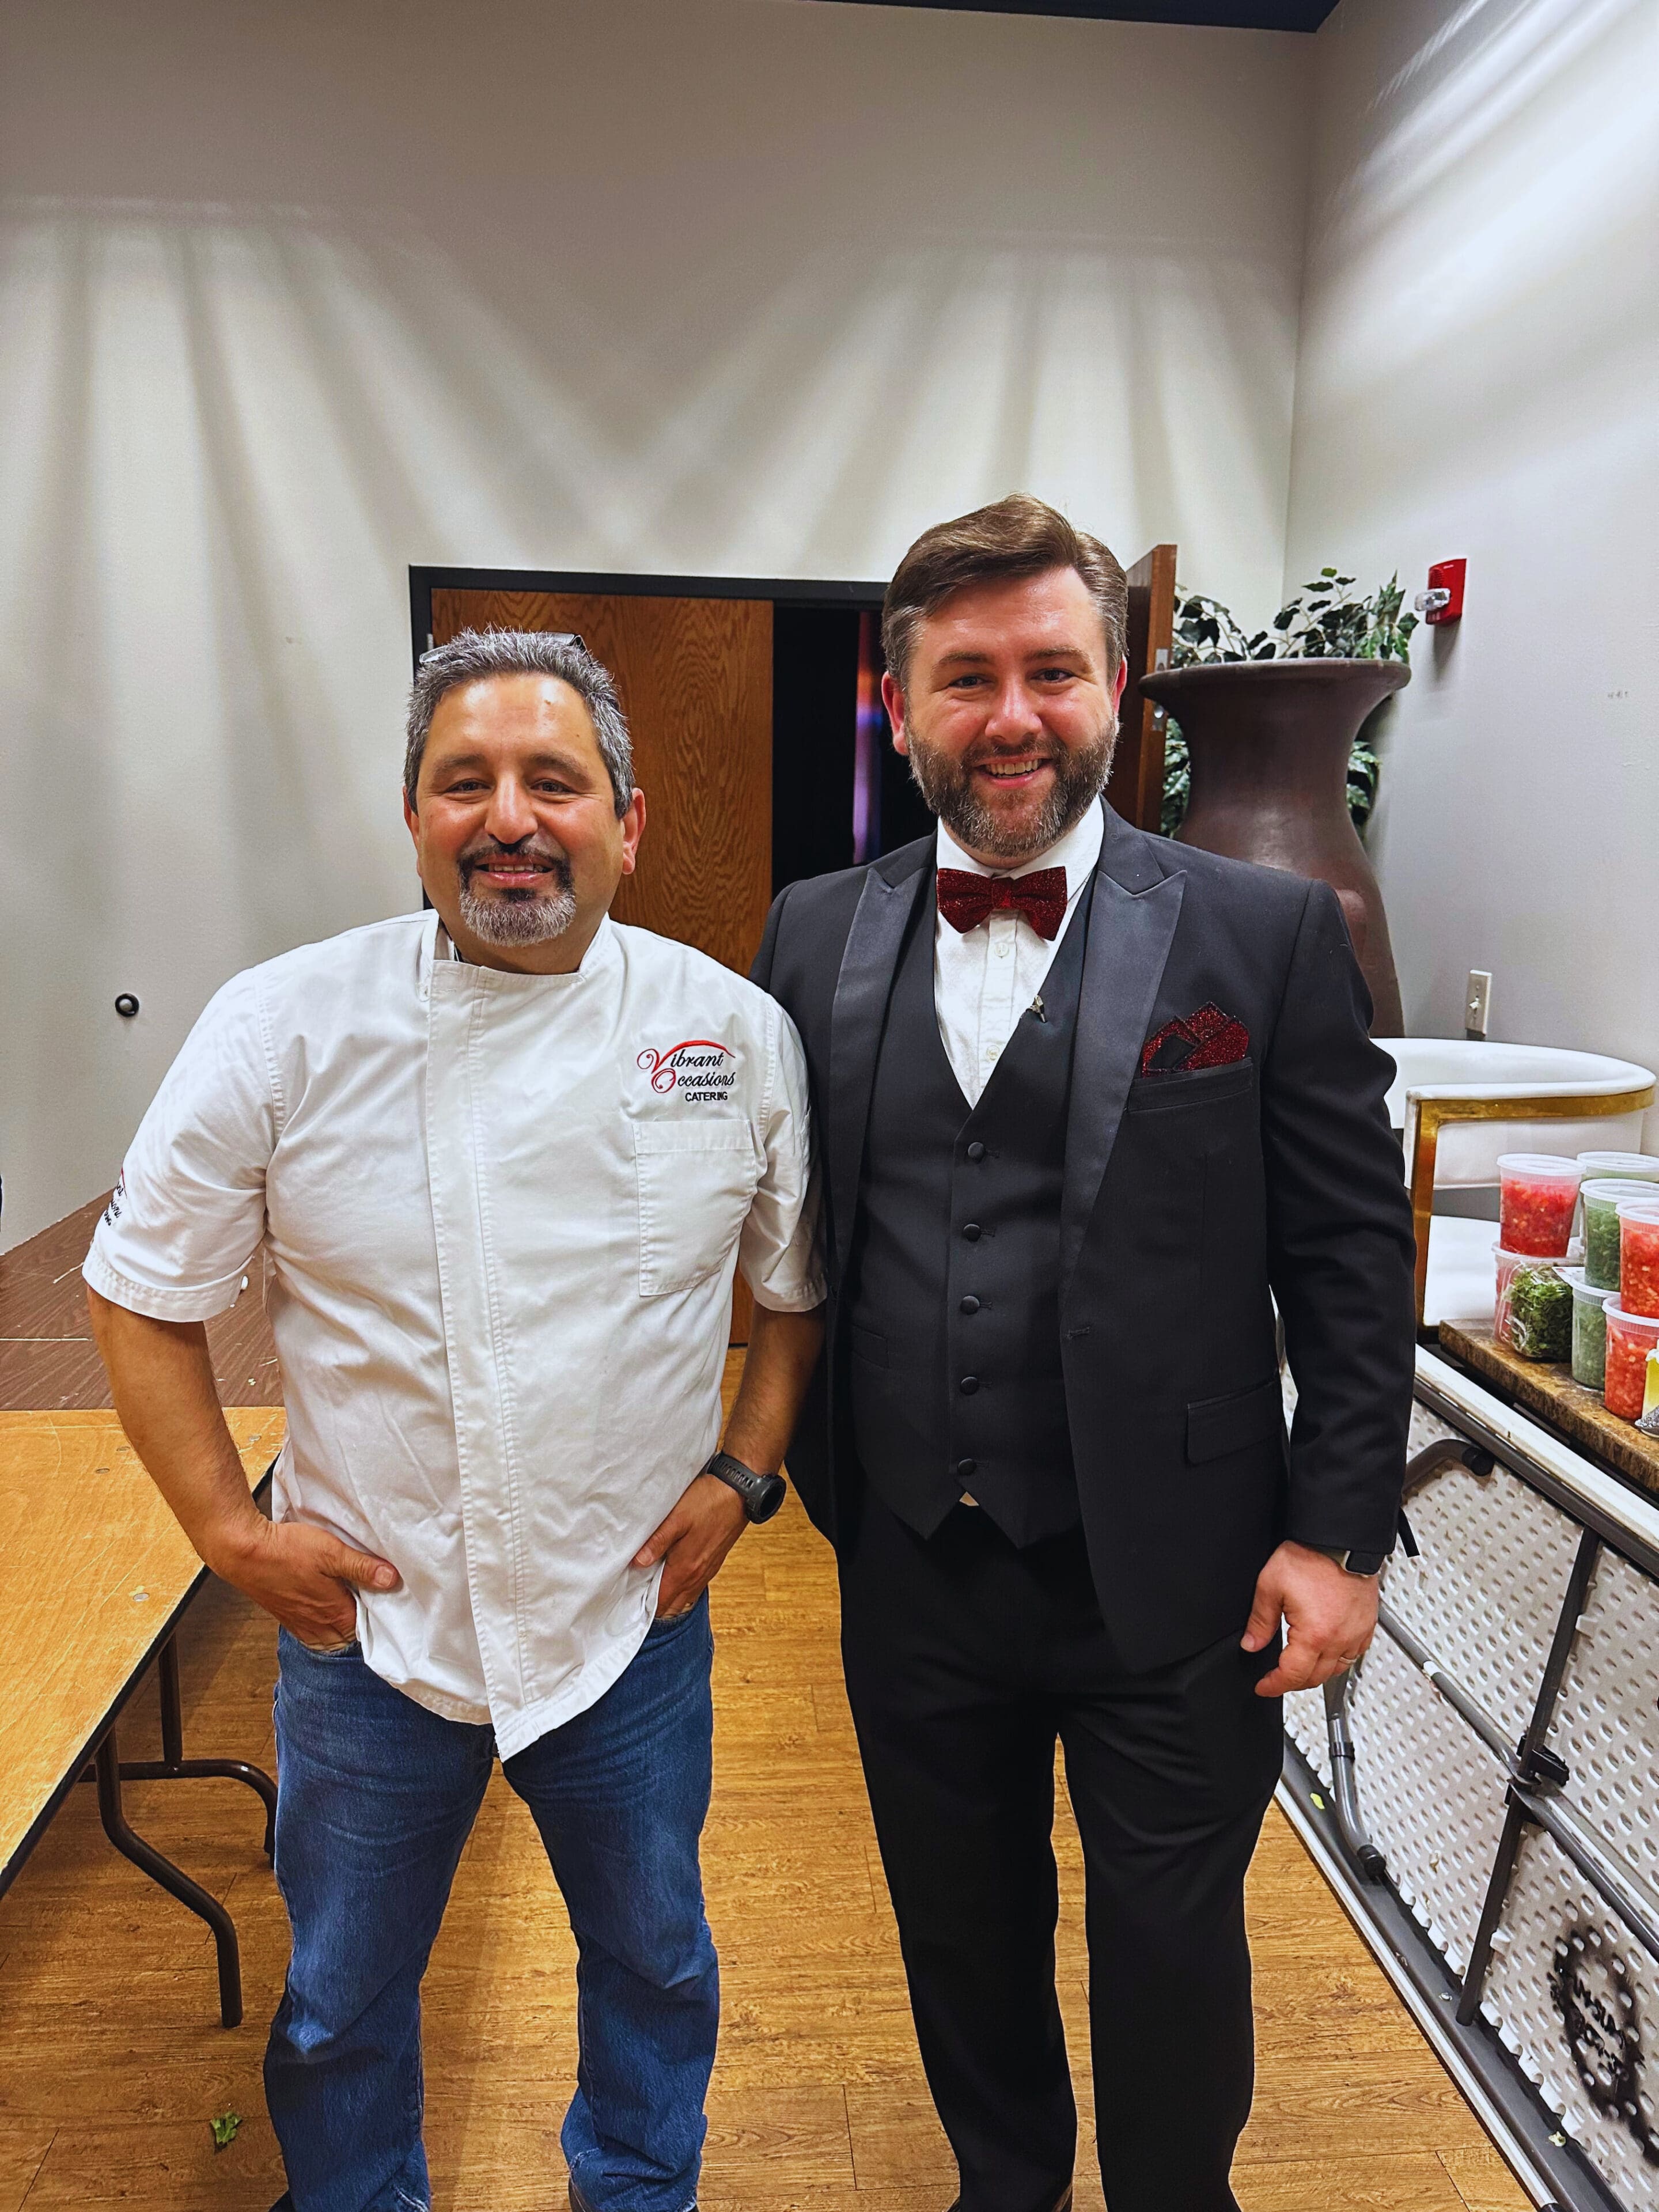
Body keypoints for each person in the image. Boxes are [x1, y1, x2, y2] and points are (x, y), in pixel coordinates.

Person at [85, 629, 826, 2212]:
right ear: (412, 820)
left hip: (626, 1618)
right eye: (462, 782)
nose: (510, 817)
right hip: (371, 1634)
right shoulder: (283, 1026)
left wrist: (745, 1471)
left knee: (657, 1961)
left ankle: (636, 2189)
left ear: (631, 822)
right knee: (342, 1998)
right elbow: (138, 1287)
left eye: (553, 782)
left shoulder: (732, 1033)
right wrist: (228, 1529)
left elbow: (795, 1289)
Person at [751, 495, 1416, 2212]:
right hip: (912, 1558)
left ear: (1117, 686)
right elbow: (783, 1246)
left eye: (1054, 669)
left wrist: (1340, 1537)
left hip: (1186, 1577)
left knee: (1173, 1955)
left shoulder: (1262, 935)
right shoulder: (810, 931)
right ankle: (1005, 2185)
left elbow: (1351, 1253)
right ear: (901, 707)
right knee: (959, 1935)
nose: (1015, 714)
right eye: (966, 677)